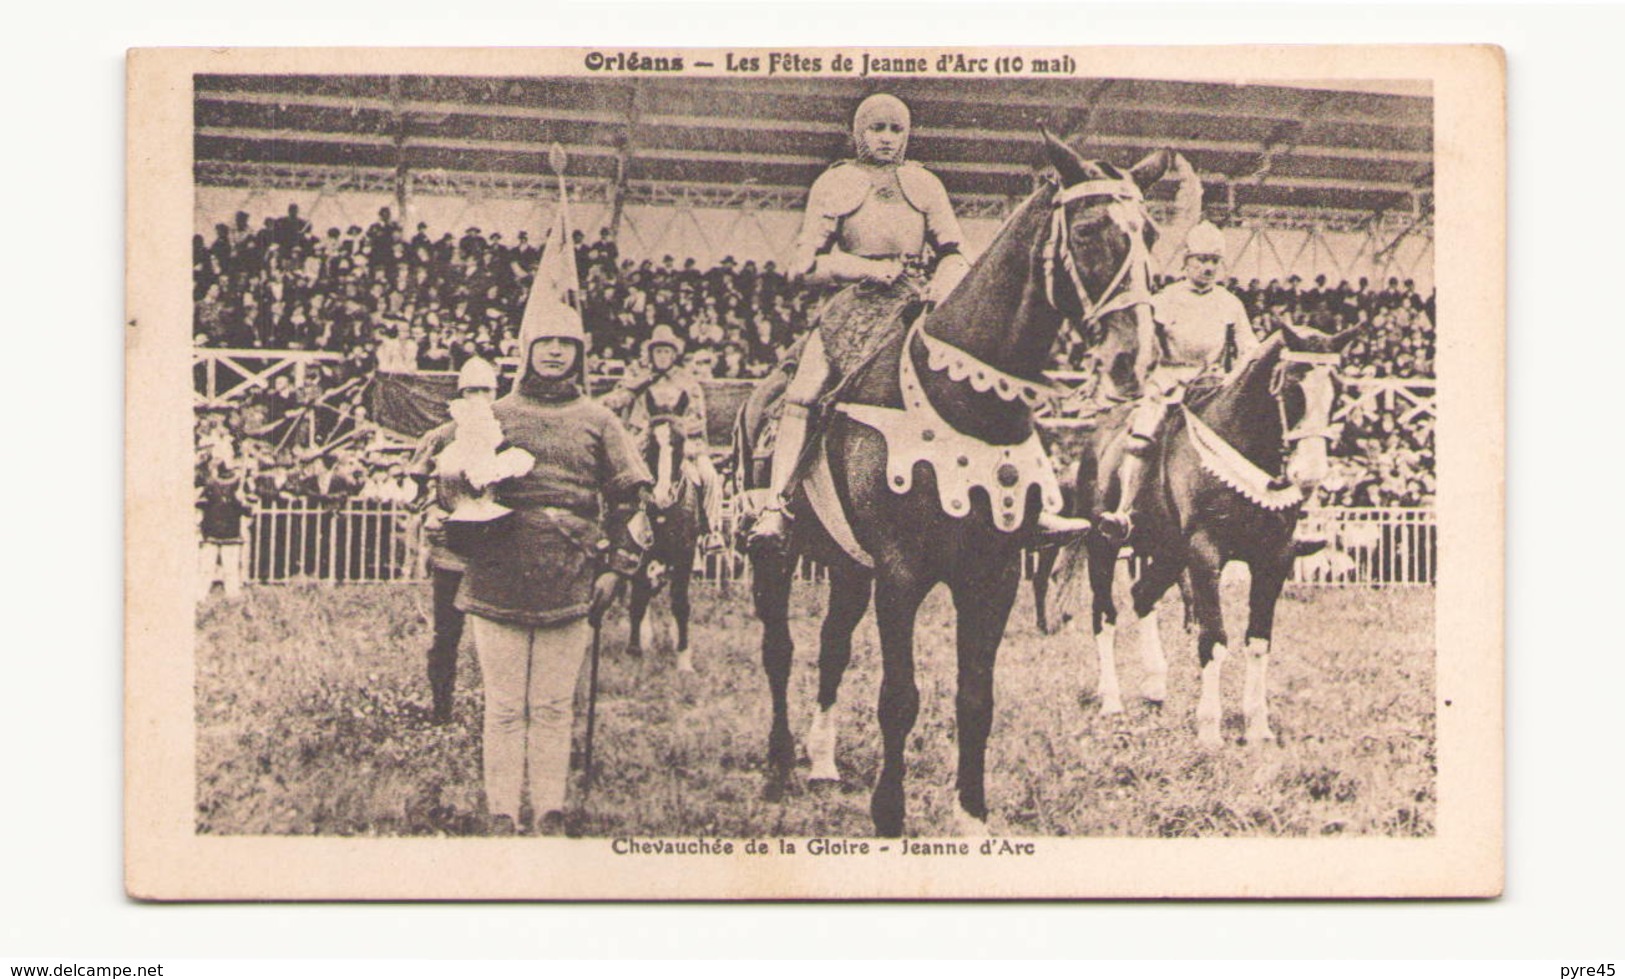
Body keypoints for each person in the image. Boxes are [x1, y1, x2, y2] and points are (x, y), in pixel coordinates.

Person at [751, 91, 1088, 545]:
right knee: (801, 395)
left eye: (896, 130)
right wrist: (868, 268)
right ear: (859, 133)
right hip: (853, 307)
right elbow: (805, 263)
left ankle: (1040, 504)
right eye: (877, 129)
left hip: (918, 303)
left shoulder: (924, 184)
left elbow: (954, 250)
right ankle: (774, 508)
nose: (887, 139)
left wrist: (942, 286)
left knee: (991, 383)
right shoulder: (836, 183)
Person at [448, 299, 651, 836]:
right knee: (505, 704)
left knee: (554, 704)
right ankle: (502, 813)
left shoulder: (599, 420)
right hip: (499, 567)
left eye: (567, 343)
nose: (556, 352)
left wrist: (616, 569)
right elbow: (445, 482)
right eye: (546, 342)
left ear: (581, 352)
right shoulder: (494, 414)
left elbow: (631, 500)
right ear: (526, 350)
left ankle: (549, 811)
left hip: (572, 572)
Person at [1098, 221, 1327, 554]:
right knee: (1143, 433)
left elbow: (1247, 348)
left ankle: (1292, 525)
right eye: (1201, 259)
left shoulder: (1230, 303)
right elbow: (1147, 346)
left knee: (1274, 433)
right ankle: (1125, 512)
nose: (1207, 267)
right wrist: (1152, 377)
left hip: (1213, 384)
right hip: (1169, 383)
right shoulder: (1165, 299)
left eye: (1214, 261)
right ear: (1186, 262)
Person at [408, 357, 498, 724]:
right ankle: (441, 707)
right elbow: (422, 486)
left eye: (485, 391)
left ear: (496, 393)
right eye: (470, 391)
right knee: (447, 633)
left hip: (497, 547)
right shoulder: (442, 436)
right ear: (460, 394)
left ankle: (501, 711)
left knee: (499, 634)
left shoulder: (508, 432)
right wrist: (431, 512)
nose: (478, 398)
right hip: (451, 547)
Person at [599, 324, 724, 551]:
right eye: (658, 351)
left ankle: (711, 532)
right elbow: (618, 402)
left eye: (667, 351)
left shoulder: (687, 383)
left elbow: (698, 417)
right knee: (616, 475)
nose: (663, 356)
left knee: (709, 477)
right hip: (644, 440)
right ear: (651, 353)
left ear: (674, 354)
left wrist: (679, 430)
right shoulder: (639, 380)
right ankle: (607, 525)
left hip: (682, 442)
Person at [197, 461, 251, 601]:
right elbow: (200, 503)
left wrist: (242, 501)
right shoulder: (210, 486)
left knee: (230, 568)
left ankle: (232, 596)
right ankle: (200, 595)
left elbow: (247, 511)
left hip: (229, 533)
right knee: (207, 568)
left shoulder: (239, 487)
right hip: (212, 532)